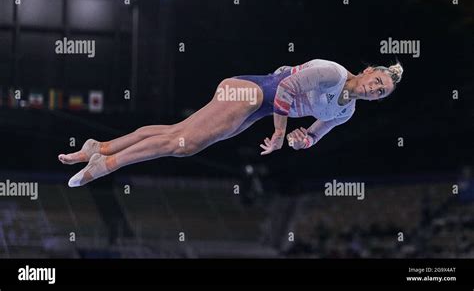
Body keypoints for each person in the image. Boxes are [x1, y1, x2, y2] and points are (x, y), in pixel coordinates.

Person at [59, 59, 403, 187]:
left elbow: (316, 133)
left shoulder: (346, 112)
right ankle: (106, 165)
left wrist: (302, 141)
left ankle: (100, 147)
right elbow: (285, 87)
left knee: (176, 135)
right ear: (369, 71)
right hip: (251, 93)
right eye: (378, 82)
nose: (375, 90)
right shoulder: (332, 73)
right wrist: (281, 133)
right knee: (184, 145)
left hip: (256, 109)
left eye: (381, 94)